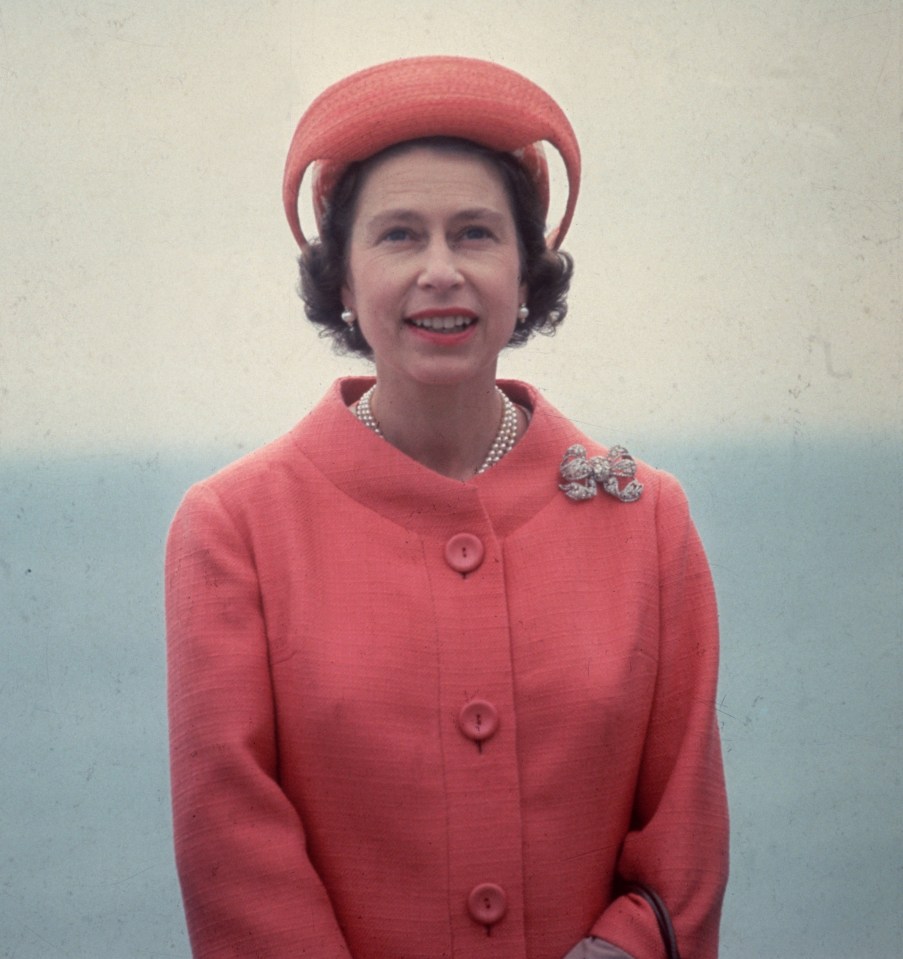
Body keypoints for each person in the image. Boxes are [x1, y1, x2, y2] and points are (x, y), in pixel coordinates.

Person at [165, 56, 728, 959]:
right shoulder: (234, 527)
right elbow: (232, 850)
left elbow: (684, 844)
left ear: (525, 272)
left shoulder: (647, 518)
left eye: (474, 234)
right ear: (341, 281)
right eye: (397, 236)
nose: (440, 271)